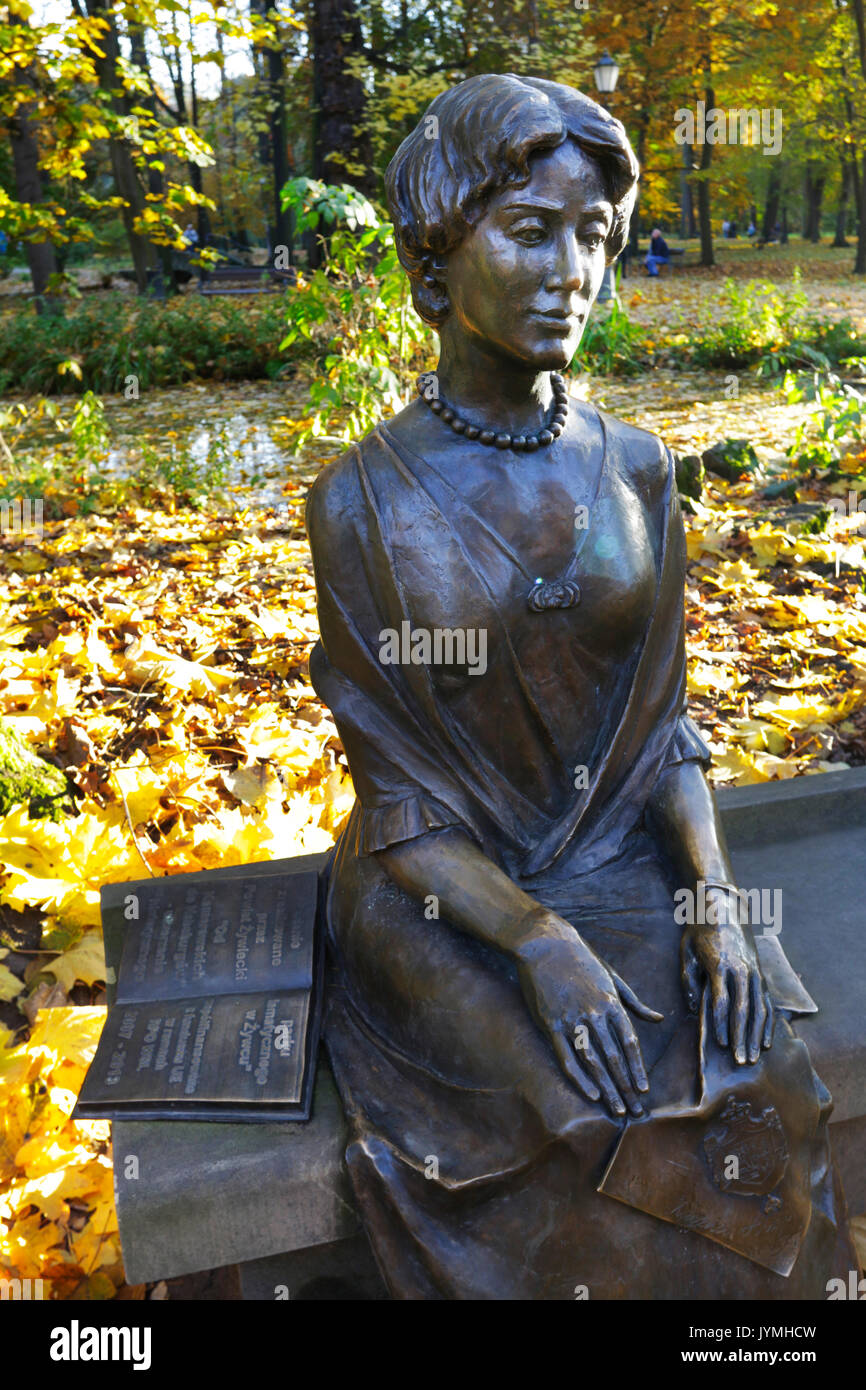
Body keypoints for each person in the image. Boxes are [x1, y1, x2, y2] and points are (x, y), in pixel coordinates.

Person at [306, 72, 856, 1300]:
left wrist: (710, 898)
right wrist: (535, 938)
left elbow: (663, 729)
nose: (571, 270)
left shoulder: (641, 471)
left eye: (594, 238)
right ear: (440, 252)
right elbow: (397, 803)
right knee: (583, 1113)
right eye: (529, 230)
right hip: (439, 888)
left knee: (747, 1092)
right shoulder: (358, 505)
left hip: (621, 857)